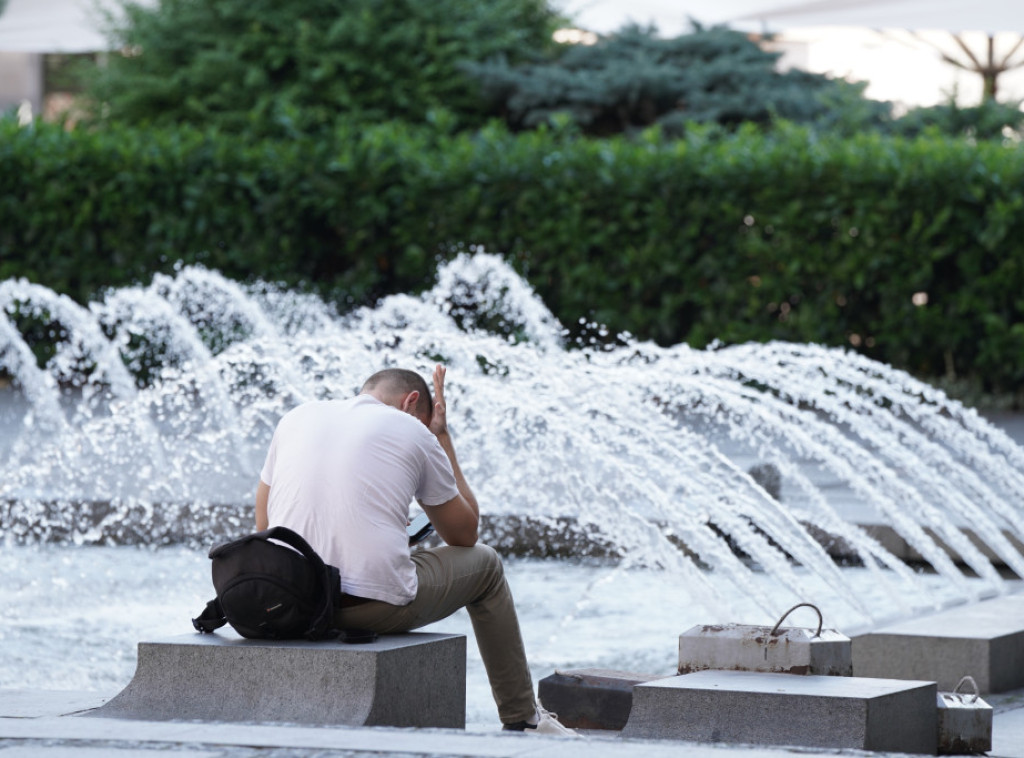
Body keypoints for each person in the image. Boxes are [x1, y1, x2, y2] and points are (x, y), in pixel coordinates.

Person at [255, 364, 577, 736]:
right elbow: (465, 535)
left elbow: (265, 526)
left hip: (290, 603)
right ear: (411, 402)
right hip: (361, 608)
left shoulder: (297, 417)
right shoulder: (413, 429)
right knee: (486, 565)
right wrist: (440, 435)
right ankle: (523, 717)